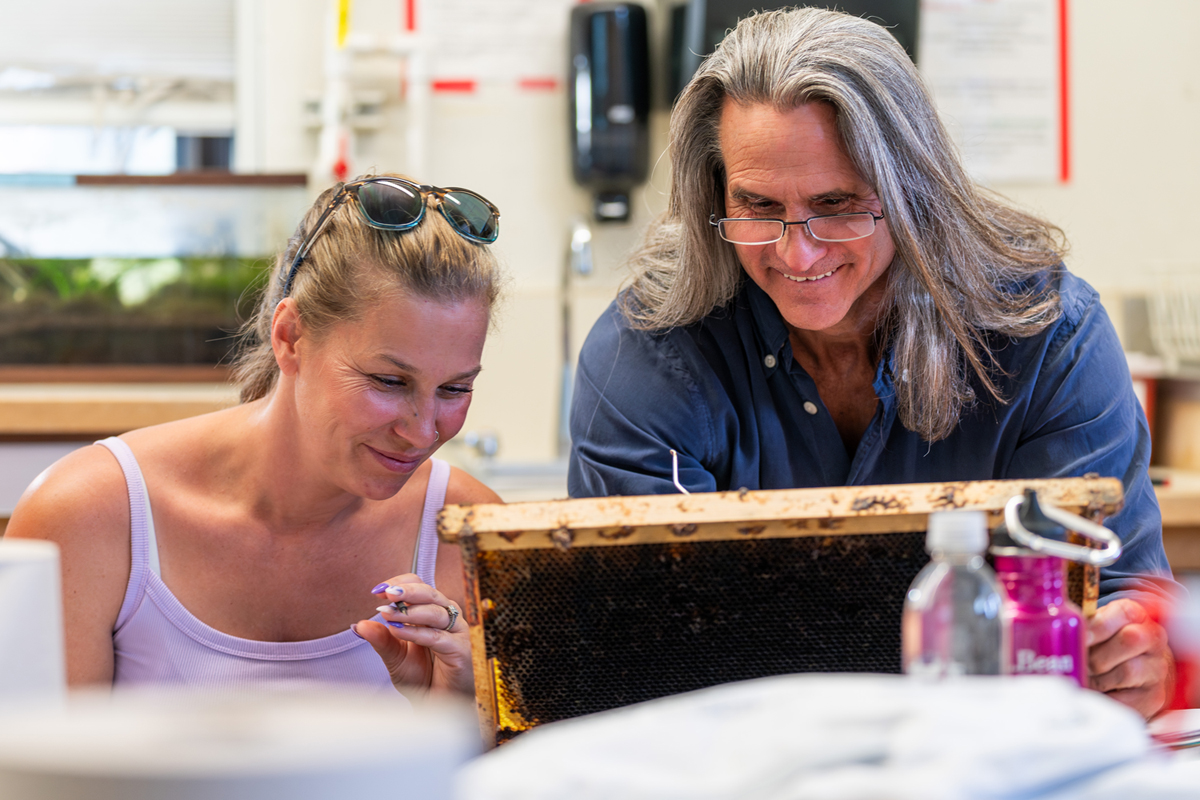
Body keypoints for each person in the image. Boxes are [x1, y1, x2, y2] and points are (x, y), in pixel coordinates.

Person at [568, 8, 1176, 718]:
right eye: (757, 206)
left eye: (837, 205)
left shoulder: (1045, 337)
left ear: (913, 188)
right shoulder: (652, 347)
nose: (797, 254)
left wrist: (1135, 652)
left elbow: (1121, 590)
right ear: (714, 194)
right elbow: (643, 639)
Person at [6, 173, 503, 699]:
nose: (423, 430)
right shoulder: (90, 515)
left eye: (454, 388)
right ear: (290, 337)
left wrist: (456, 712)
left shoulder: (473, 534)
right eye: (388, 381)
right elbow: (28, 773)